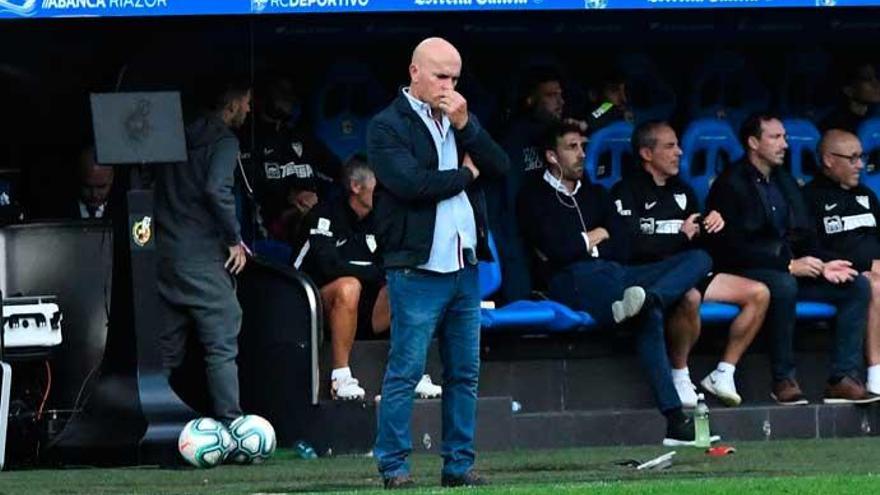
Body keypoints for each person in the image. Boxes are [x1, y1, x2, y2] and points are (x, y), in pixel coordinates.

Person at [518, 120, 715, 446]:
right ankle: (676, 422)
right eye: (572, 148)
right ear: (552, 156)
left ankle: (655, 297)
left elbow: (624, 244)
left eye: (583, 146)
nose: (582, 154)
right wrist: (597, 236)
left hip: (618, 272)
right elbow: (557, 251)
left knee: (700, 259)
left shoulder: (595, 192)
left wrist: (588, 241)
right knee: (645, 314)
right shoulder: (533, 196)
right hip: (571, 280)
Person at [368, 37, 509, 489]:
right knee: (406, 370)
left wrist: (466, 125)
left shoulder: (459, 118)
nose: (449, 86)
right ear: (414, 72)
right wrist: (467, 174)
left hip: (463, 264)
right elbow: (412, 185)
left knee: (464, 372)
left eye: (454, 78)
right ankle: (393, 466)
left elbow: (502, 166)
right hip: (416, 266)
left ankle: (458, 464)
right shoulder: (386, 126)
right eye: (440, 76)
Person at [706, 114, 880, 406]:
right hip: (749, 271)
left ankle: (843, 378)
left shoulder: (785, 181)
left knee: (855, 286)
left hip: (791, 266)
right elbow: (729, 249)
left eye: (785, 137)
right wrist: (786, 266)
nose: (784, 144)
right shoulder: (730, 184)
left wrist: (826, 264)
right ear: (753, 142)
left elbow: (804, 238)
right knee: (784, 285)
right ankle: (783, 379)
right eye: (775, 138)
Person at [611, 121, 769, 407]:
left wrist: (712, 226)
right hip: (652, 274)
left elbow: (701, 246)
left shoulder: (683, 191)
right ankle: (681, 374)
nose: (680, 152)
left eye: (679, 145)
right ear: (647, 153)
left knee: (759, 293)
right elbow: (629, 248)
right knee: (690, 296)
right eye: (670, 146)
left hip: (691, 270)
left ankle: (724, 372)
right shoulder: (625, 191)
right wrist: (680, 237)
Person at [294, 154, 442, 401]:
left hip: (366, 311)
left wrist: (385, 273)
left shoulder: (382, 218)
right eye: (380, 184)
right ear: (356, 186)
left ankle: (410, 375)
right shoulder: (325, 214)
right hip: (314, 309)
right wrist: (377, 272)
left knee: (407, 283)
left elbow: (393, 262)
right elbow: (328, 266)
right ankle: (340, 378)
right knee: (349, 286)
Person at [154, 80, 251, 424]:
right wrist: (234, 239)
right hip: (201, 256)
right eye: (246, 102)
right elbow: (216, 190)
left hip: (163, 254)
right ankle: (232, 423)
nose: (249, 109)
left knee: (164, 351)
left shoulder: (172, 137)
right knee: (222, 342)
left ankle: (154, 422)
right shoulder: (224, 141)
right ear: (231, 105)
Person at [804, 129, 880, 394]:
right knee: (873, 284)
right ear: (828, 160)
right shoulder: (809, 198)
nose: (860, 165)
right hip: (835, 277)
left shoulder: (868, 196)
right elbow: (807, 246)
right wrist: (865, 266)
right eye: (853, 158)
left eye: (862, 157)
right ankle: (876, 374)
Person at [240, 76, 338, 249]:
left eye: (290, 93)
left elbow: (337, 172)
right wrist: (289, 196)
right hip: (270, 231)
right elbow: (247, 188)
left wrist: (316, 198)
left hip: (316, 221)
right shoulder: (247, 139)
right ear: (262, 97)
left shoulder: (301, 137)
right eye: (281, 93)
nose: (289, 99)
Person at [820, 62, 880, 134]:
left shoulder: (876, 115)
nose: (876, 84)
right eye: (867, 79)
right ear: (848, 90)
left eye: (877, 77)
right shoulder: (833, 124)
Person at [66, 145, 114, 219]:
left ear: (112, 179)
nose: (94, 194)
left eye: (101, 187)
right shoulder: (60, 208)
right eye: (87, 187)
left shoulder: (124, 209)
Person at [587, 69, 633, 133]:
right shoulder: (605, 106)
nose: (619, 95)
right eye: (614, 90)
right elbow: (592, 121)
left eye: (622, 90)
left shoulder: (630, 106)